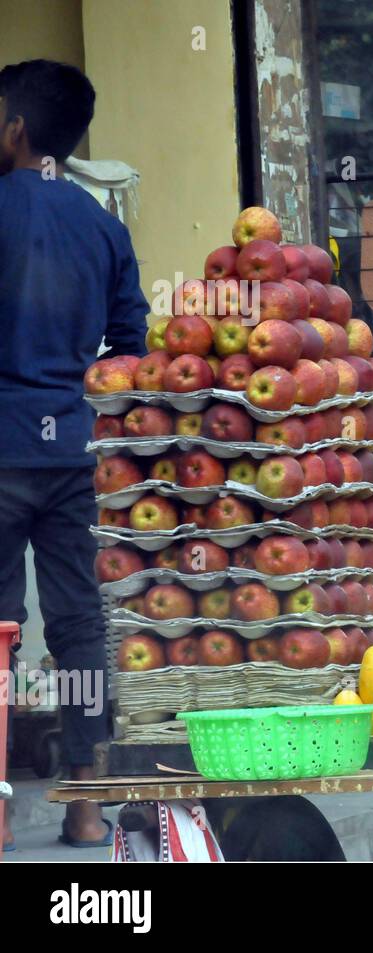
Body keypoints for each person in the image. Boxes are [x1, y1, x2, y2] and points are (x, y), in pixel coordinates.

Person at [0, 60, 148, 849]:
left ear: (16, 130)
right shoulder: (102, 225)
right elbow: (132, 350)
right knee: (79, 629)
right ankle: (88, 807)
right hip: (74, 456)